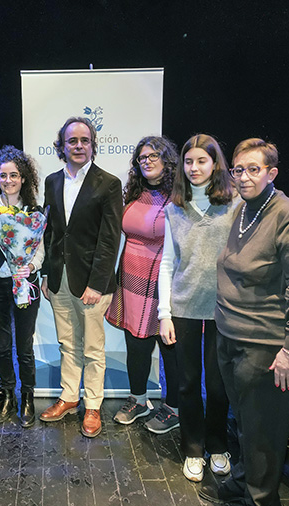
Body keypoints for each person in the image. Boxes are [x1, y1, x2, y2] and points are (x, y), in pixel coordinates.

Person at [198, 138, 289, 506]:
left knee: (263, 432)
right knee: (243, 424)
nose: (243, 177)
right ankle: (245, 484)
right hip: (230, 334)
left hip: (266, 345)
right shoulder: (244, 208)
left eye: (252, 170)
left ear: (271, 173)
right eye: (238, 170)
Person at [157, 134, 239, 482]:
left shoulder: (235, 204)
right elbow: (166, 263)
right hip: (185, 306)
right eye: (188, 162)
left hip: (224, 308)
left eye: (201, 161)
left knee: (219, 385)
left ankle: (218, 444)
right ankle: (193, 447)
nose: (194, 168)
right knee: (189, 383)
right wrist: (164, 313)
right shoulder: (174, 209)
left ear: (215, 164)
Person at [39, 116, 123, 437]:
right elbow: (49, 234)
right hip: (59, 278)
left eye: (84, 140)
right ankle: (69, 396)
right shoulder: (52, 181)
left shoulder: (109, 184)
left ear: (93, 145)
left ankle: (93, 405)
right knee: (67, 342)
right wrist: (47, 274)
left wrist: (97, 284)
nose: (78, 146)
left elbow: (109, 239)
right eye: (72, 141)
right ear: (62, 145)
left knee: (92, 346)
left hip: (92, 283)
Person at [106, 135, 180, 432]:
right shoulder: (133, 193)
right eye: (142, 157)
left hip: (164, 279)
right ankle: (139, 400)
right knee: (135, 344)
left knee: (169, 345)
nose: (147, 161)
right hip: (131, 275)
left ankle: (174, 408)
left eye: (153, 156)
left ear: (168, 160)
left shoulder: (179, 196)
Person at [0, 146, 45, 426]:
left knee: (24, 346)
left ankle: (28, 397)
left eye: (14, 175)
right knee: (2, 344)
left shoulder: (35, 211)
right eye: (3, 175)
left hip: (25, 283)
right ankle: (8, 394)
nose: (8, 180)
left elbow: (40, 250)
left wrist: (29, 266)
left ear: (24, 178)